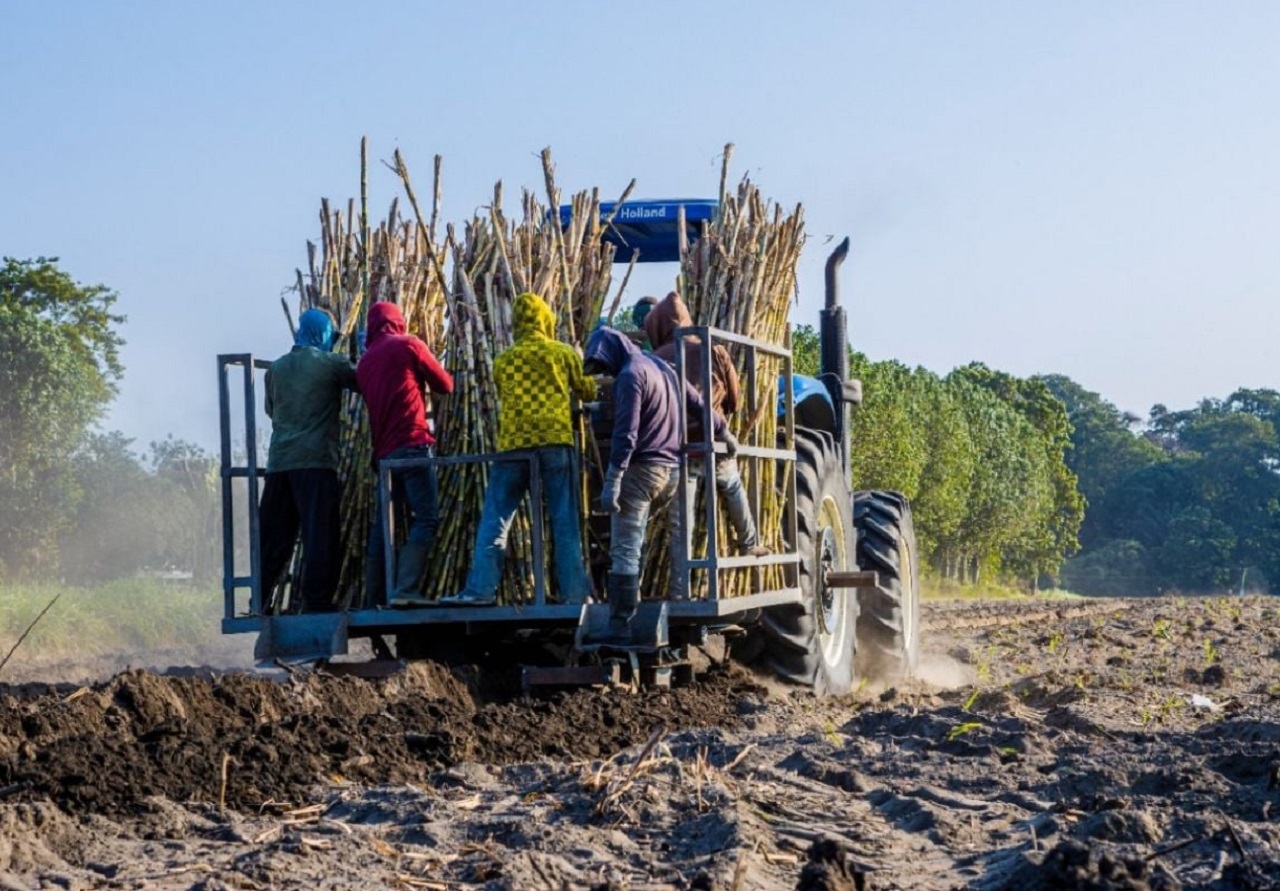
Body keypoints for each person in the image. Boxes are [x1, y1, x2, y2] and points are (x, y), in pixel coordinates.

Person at [582, 325, 736, 644]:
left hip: (643, 472)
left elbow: (627, 434)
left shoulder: (630, 375)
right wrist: (723, 431)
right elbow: (699, 403)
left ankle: (620, 625)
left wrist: (613, 478)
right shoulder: (663, 367)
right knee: (639, 540)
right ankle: (664, 598)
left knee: (624, 547)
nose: (606, 372)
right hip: (673, 472)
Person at [442, 293, 597, 606]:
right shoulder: (562, 353)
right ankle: (576, 594)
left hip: (514, 445)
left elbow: (504, 391)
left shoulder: (503, 359)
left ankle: (480, 591)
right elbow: (588, 389)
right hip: (555, 442)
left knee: (496, 519)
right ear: (544, 319)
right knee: (564, 521)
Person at [644, 292, 770, 558]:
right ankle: (749, 543)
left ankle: (682, 585)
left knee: (682, 521)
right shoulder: (713, 350)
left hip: (678, 447)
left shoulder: (654, 359)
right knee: (733, 487)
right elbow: (735, 399)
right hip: (715, 438)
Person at [258, 308, 358, 612]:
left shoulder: (275, 368)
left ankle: (259, 597)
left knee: (274, 538)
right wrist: (365, 352)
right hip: (315, 463)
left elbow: (270, 411)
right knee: (320, 535)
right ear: (326, 334)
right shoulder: (330, 364)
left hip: (279, 465)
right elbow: (364, 382)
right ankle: (317, 603)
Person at [357, 301, 454, 607]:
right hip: (413, 446)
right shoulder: (409, 345)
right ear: (398, 322)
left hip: (384, 456)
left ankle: (374, 595)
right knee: (426, 518)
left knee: (383, 526)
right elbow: (446, 385)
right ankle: (406, 590)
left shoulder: (365, 362)